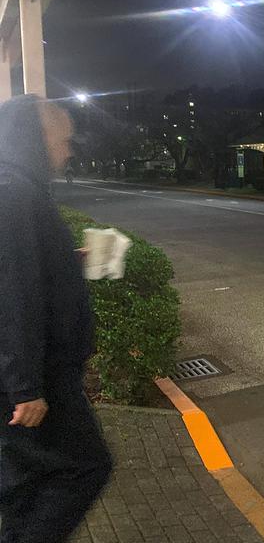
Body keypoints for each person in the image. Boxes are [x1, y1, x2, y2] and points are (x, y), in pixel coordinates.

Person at [0, 95, 112, 542]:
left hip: (32, 376)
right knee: (86, 467)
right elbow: (13, 296)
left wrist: (67, 262)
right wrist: (26, 387)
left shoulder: (17, 189)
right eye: (63, 141)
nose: (68, 151)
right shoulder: (14, 195)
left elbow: (22, 272)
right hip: (38, 379)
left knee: (24, 483)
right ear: (37, 138)